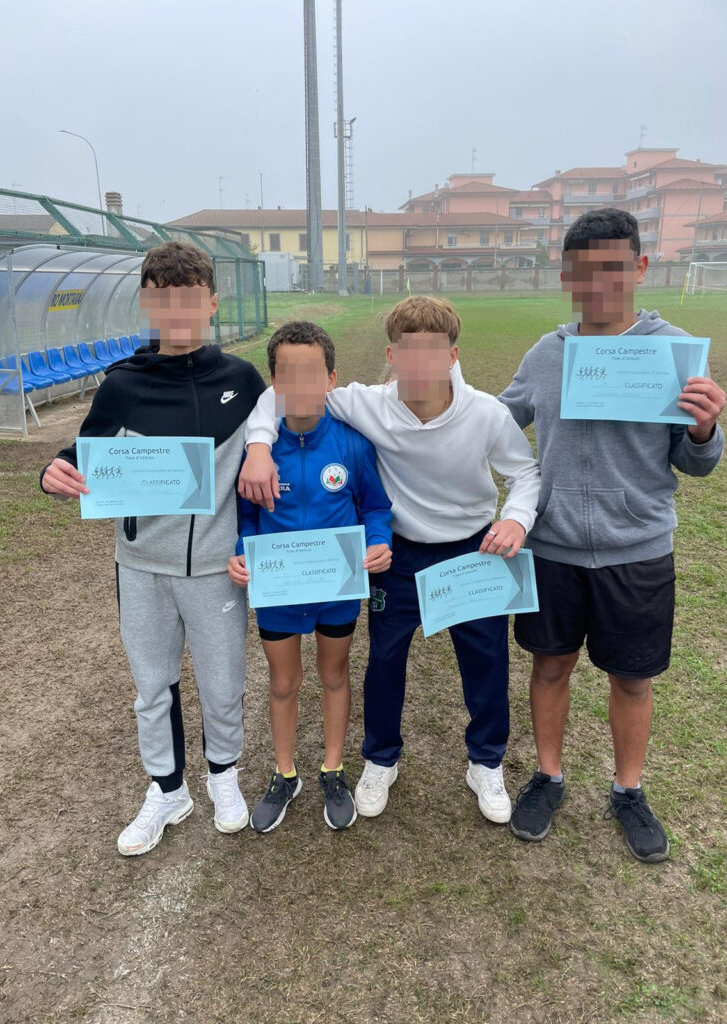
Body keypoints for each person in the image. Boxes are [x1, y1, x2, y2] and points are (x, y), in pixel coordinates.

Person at [238, 296, 541, 825]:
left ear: (453, 355)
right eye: (408, 352)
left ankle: (485, 762)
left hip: (472, 547)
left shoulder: (487, 413)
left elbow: (526, 472)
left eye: (433, 351)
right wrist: (260, 446)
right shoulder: (365, 403)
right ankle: (380, 759)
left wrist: (515, 519)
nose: (420, 364)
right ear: (391, 356)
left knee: (486, 660)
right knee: (384, 660)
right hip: (397, 553)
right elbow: (280, 393)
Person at [498, 208, 725, 862]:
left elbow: (696, 463)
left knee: (632, 678)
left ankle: (628, 790)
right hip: (554, 548)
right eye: (584, 271)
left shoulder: (673, 353)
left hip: (638, 550)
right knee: (550, 665)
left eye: (614, 269)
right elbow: (496, 423)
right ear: (566, 275)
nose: (598, 284)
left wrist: (705, 429)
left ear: (640, 267)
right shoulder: (546, 354)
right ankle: (548, 776)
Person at [40, 241, 266, 856]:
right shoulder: (122, 385)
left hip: (218, 569)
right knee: (152, 686)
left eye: (190, 298)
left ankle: (223, 776)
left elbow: (281, 432)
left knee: (223, 684)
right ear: (146, 303)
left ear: (212, 303)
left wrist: (263, 451)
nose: (177, 310)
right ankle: (168, 790)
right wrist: (53, 472)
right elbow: (83, 456)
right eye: (163, 298)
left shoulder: (243, 381)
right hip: (141, 567)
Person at [228, 321, 392, 832]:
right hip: (278, 590)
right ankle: (284, 774)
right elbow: (246, 517)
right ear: (273, 383)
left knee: (334, 674)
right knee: (283, 682)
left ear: (331, 379)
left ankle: (333, 768)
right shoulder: (257, 450)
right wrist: (241, 553)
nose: (299, 385)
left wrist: (378, 540)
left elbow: (376, 506)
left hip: (336, 589)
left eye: (311, 373)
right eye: (287, 374)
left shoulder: (351, 444)